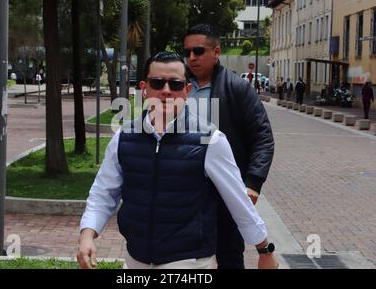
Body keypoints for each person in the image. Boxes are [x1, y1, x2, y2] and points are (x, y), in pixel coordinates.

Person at [76, 52, 279, 269]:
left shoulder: (210, 140)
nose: (165, 91)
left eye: (175, 84)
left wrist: (264, 250)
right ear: (144, 89)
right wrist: (87, 235)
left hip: (189, 261)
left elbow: (237, 200)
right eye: (157, 83)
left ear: (187, 90)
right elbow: (103, 193)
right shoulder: (124, 137)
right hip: (136, 259)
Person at [183, 23, 274, 269]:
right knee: (183, 259)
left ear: (216, 52)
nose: (192, 57)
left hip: (225, 190)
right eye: (188, 52)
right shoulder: (178, 87)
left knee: (230, 256)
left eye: (199, 50)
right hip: (186, 192)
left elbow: (262, 137)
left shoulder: (237, 88)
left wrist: (253, 183)